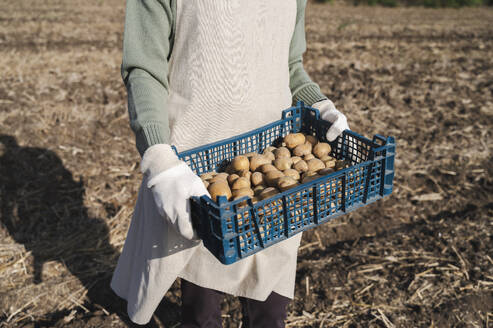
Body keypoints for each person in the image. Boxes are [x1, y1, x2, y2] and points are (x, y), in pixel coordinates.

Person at [110, 0, 349, 327]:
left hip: (274, 180)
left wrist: (317, 103)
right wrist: (159, 155)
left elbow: (290, 63)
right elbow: (144, 68)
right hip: (201, 178)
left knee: (270, 311)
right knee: (202, 311)